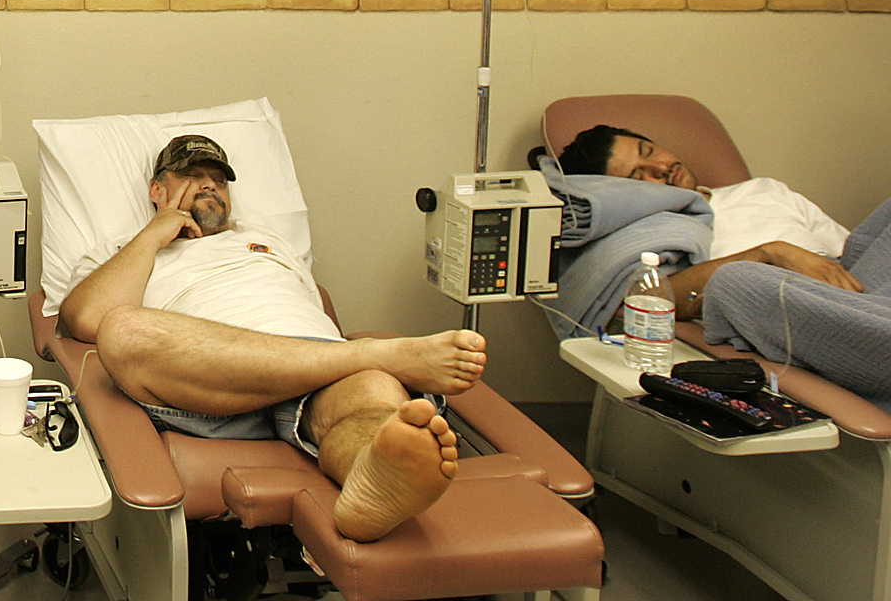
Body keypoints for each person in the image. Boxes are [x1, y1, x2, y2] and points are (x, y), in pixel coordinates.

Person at [58, 135, 486, 542]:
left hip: (318, 374)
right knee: (124, 330)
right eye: (192, 175)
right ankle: (375, 355)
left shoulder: (266, 241)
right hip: (209, 390)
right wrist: (155, 233)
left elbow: (313, 311)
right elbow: (88, 320)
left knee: (376, 395)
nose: (210, 185)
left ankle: (369, 479)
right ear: (157, 189)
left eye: (220, 179)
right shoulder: (124, 250)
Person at [556, 124, 861, 319]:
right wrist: (771, 253)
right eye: (640, 177)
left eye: (649, 151)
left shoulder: (763, 189)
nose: (661, 167)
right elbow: (654, 296)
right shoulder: (661, 235)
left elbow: (856, 255)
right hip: (807, 313)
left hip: (862, 292)